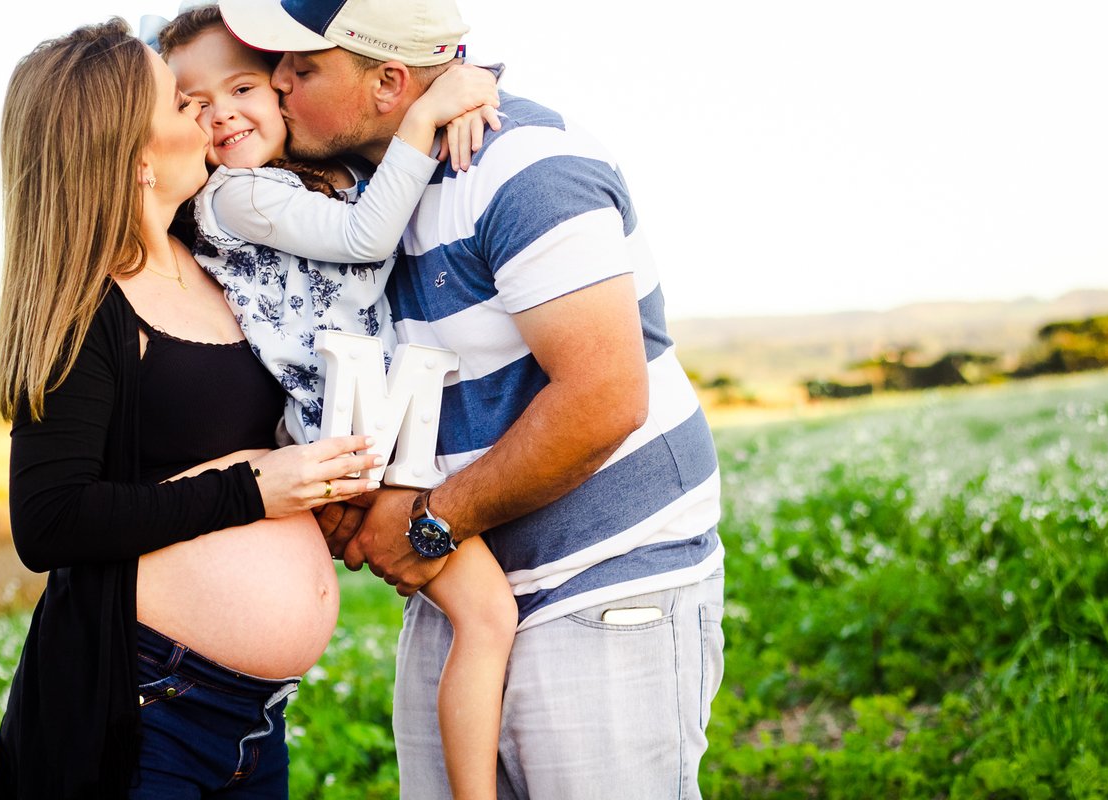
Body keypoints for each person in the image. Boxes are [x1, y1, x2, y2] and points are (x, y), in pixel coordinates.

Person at [218, 0, 728, 797]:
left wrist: (428, 524)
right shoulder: (359, 186)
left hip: (600, 586)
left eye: (303, 67)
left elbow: (605, 398)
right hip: (463, 578)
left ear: (389, 82)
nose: (277, 83)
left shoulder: (524, 168)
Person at [0, 19, 382, 799]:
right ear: (137, 157)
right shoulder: (90, 308)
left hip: (252, 717)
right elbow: (48, 520)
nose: (205, 116)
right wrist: (255, 492)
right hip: (144, 712)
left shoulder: (215, 264)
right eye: (179, 102)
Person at [155, 9, 517, 799]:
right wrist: (429, 111)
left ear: (285, 89)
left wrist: (473, 81)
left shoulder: (310, 175)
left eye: (244, 85)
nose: (221, 112)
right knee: (488, 617)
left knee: (482, 617)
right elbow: (363, 238)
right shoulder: (236, 196)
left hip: (376, 418)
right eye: (192, 101)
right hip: (349, 427)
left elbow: (405, 91)